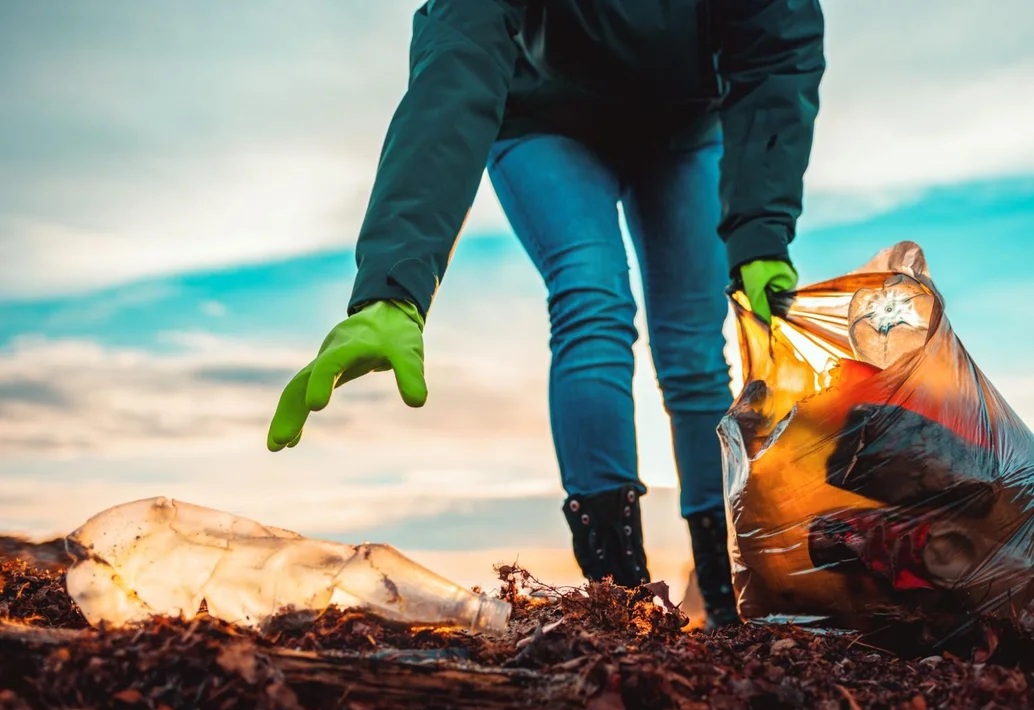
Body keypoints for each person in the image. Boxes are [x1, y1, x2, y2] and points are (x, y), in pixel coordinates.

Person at [267, 0, 826, 629]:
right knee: (592, 298)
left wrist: (759, 230)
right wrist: (393, 287)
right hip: (544, 122)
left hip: (684, 130)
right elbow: (456, 60)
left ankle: (727, 598)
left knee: (695, 351)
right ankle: (623, 602)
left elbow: (776, 48)